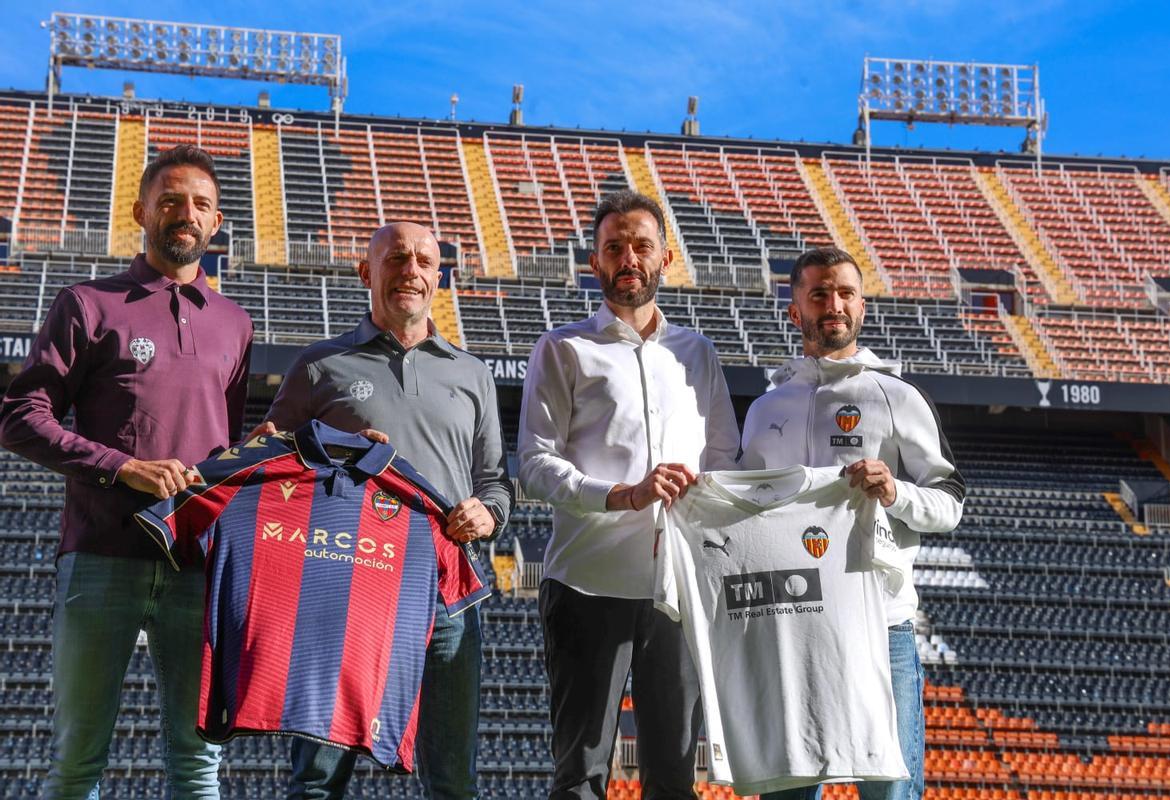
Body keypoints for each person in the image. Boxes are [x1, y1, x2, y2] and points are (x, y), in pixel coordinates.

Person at [0, 144, 252, 798]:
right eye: (169, 199)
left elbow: (224, 445)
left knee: (197, 766)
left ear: (217, 220)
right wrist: (122, 467)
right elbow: (20, 416)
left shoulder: (235, 324)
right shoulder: (88, 304)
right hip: (101, 556)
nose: (183, 213)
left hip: (197, 564)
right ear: (140, 209)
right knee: (78, 763)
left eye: (199, 203)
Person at [259, 221, 513, 800]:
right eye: (397, 259)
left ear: (439, 276)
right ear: (366, 272)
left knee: (452, 781)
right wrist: (322, 448)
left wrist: (488, 515)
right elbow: (268, 465)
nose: (412, 271)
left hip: (446, 595)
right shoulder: (320, 365)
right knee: (318, 780)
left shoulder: (472, 373)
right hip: (343, 590)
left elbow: (496, 483)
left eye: (426, 261)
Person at [517, 189, 741, 799]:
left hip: (678, 589)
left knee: (672, 777)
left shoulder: (698, 353)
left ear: (665, 257)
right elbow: (534, 463)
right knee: (581, 775)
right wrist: (622, 495)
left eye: (641, 246)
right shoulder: (563, 348)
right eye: (614, 247)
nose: (629, 258)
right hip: (588, 581)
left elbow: (724, 460)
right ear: (595, 262)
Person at [739, 246, 966, 800]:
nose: (832, 304)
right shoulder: (765, 409)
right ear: (795, 311)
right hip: (789, 623)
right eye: (818, 293)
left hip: (879, 627)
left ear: (862, 307)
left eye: (844, 292)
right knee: (785, 791)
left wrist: (894, 491)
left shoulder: (897, 396)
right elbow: (741, 509)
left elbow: (950, 501)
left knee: (889, 793)